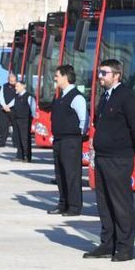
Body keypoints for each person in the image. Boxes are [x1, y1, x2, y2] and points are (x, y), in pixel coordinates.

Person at [84, 59, 135, 262]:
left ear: (116, 75)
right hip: (102, 157)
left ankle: (125, 248)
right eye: (99, 72)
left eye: (104, 73)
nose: (100, 77)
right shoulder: (105, 97)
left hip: (119, 158)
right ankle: (107, 243)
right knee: (104, 202)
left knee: (120, 203)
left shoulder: (126, 97)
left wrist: (128, 149)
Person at [48, 65, 87, 217]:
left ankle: (74, 206)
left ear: (65, 77)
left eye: (57, 75)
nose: (55, 78)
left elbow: (83, 120)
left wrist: (77, 136)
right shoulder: (60, 96)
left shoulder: (76, 97)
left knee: (71, 174)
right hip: (59, 140)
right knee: (60, 174)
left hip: (71, 141)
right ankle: (63, 204)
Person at [8, 80, 36, 162]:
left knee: (25, 139)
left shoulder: (29, 96)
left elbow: (33, 108)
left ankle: (27, 156)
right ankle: (19, 155)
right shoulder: (17, 96)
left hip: (25, 120)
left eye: (18, 86)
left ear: (23, 86)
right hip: (17, 119)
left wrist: (33, 118)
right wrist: (6, 106)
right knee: (18, 138)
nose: (16, 88)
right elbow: (11, 104)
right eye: (16, 86)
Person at [0, 73, 17, 147]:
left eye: (13, 81)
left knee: (15, 127)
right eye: (10, 81)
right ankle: (2, 142)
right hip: (4, 109)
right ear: (8, 80)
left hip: (13, 109)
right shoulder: (4, 86)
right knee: (3, 127)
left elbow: (16, 97)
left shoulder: (18, 86)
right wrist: (4, 105)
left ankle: (15, 143)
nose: (12, 82)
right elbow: (1, 96)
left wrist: (9, 106)